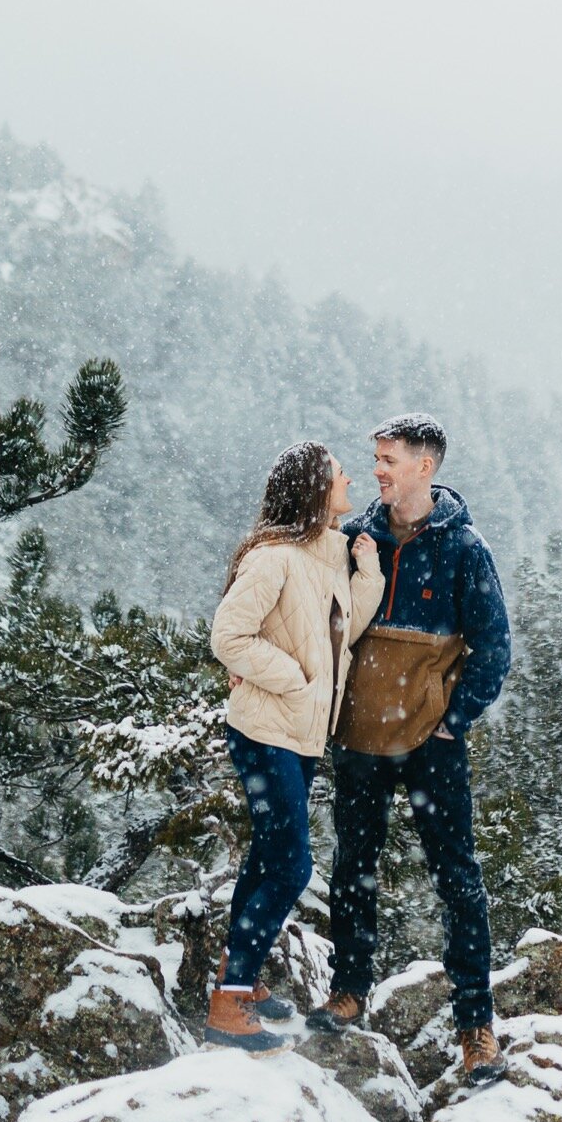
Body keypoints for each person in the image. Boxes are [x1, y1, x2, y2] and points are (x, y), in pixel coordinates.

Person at [308, 413, 512, 1087]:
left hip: (431, 745)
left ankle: (476, 1028)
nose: (377, 471)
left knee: (456, 878)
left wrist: (453, 721)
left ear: (425, 466)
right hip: (360, 738)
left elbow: (494, 648)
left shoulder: (464, 549)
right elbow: (316, 616)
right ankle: (348, 993)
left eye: (389, 459)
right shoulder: (355, 536)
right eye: (375, 459)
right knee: (353, 868)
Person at [205, 440, 384, 1052]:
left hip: (302, 736)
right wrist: (294, 679)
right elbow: (228, 637)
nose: (350, 478)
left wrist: (370, 574)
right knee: (291, 864)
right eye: (339, 474)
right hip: (265, 732)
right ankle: (228, 1002)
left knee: (269, 853)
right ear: (314, 489)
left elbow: (343, 633)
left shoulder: (329, 552)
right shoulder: (275, 557)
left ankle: (243, 980)